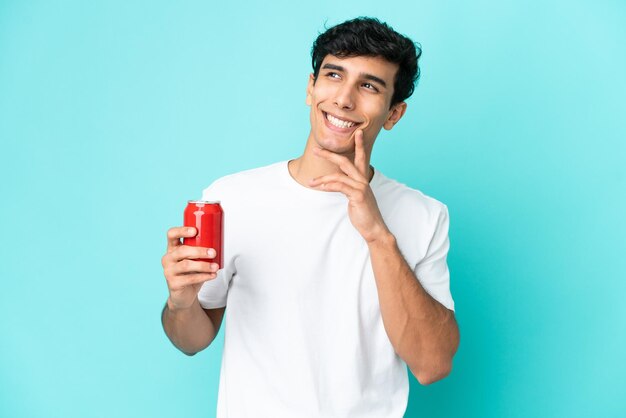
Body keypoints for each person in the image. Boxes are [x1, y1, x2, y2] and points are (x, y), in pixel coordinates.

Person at [161, 16, 460, 417]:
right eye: (334, 75)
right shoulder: (231, 198)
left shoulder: (424, 216)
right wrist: (181, 303)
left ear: (394, 114)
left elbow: (432, 364)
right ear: (310, 88)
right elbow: (191, 340)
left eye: (369, 85)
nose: (344, 99)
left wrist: (377, 235)